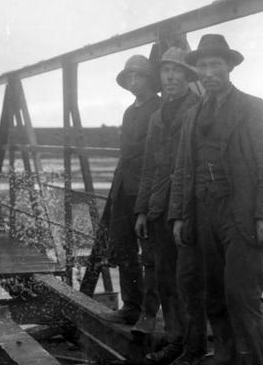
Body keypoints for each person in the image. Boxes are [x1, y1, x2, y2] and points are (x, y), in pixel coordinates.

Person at [170, 34, 263, 365]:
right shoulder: (193, 115)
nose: (209, 72)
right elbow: (182, 168)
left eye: (216, 65)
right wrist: (179, 214)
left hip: (241, 215)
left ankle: (252, 362)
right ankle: (224, 358)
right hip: (203, 214)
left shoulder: (254, 108)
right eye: (203, 65)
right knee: (215, 295)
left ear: (230, 67)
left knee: (241, 296)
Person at [132, 47, 206, 365]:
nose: (171, 76)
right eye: (165, 71)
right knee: (165, 278)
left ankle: (194, 346)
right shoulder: (157, 117)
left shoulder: (201, 109)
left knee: (189, 280)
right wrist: (141, 210)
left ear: (189, 76)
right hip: (160, 208)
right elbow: (149, 168)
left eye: (177, 70)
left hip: (188, 209)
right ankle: (177, 340)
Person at [101, 54, 160, 326]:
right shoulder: (129, 111)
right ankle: (131, 306)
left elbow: (155, 156)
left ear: (150, 79)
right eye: (130, 78)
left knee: (149, 254)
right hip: (124, 188)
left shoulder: (159, 109)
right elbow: (125, 155)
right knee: (124, 249)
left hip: (145, 190)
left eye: (139, 76)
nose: (134, 82)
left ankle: (149, 312)